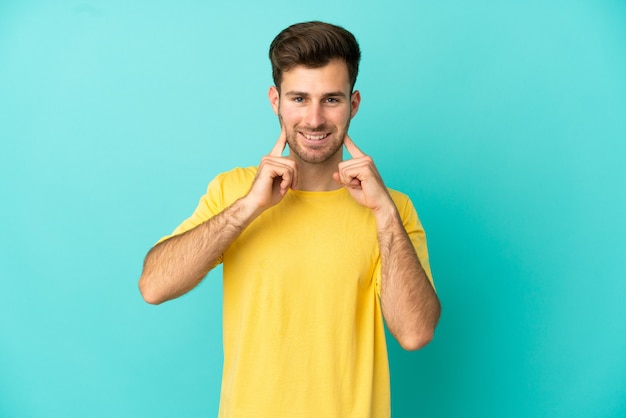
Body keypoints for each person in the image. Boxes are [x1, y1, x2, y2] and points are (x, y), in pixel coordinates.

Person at [139, 21, 440, 418]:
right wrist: (248, 208)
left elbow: (416, 333)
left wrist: (383, 213)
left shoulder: (392, 209)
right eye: (299, 98)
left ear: (354, 104)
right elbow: (154, 286)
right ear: (275, 101)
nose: (314, 119)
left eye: (331, 99)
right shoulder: (234, 192)